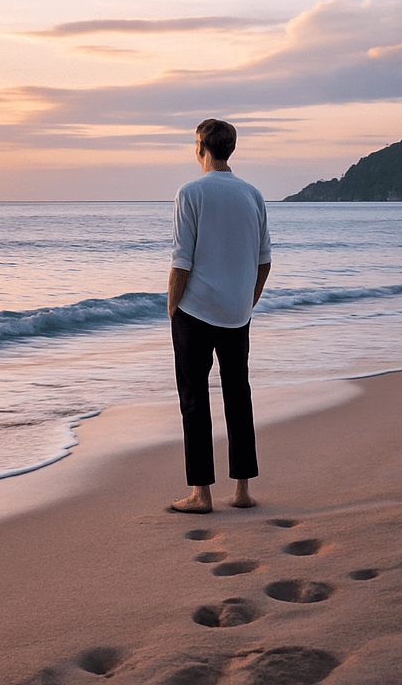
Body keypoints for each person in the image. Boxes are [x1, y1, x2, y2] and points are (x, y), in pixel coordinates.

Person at [167, 118, 272, 514]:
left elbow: (181, 261)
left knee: (194, 400)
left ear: (201, 147)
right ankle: (242, 490)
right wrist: (248, 300)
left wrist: (171, 306)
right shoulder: (253, 195)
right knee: (237, 395)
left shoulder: (190, 192)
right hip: (236, 312)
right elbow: (264, 261)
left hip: (195, 311)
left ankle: (201, 494)